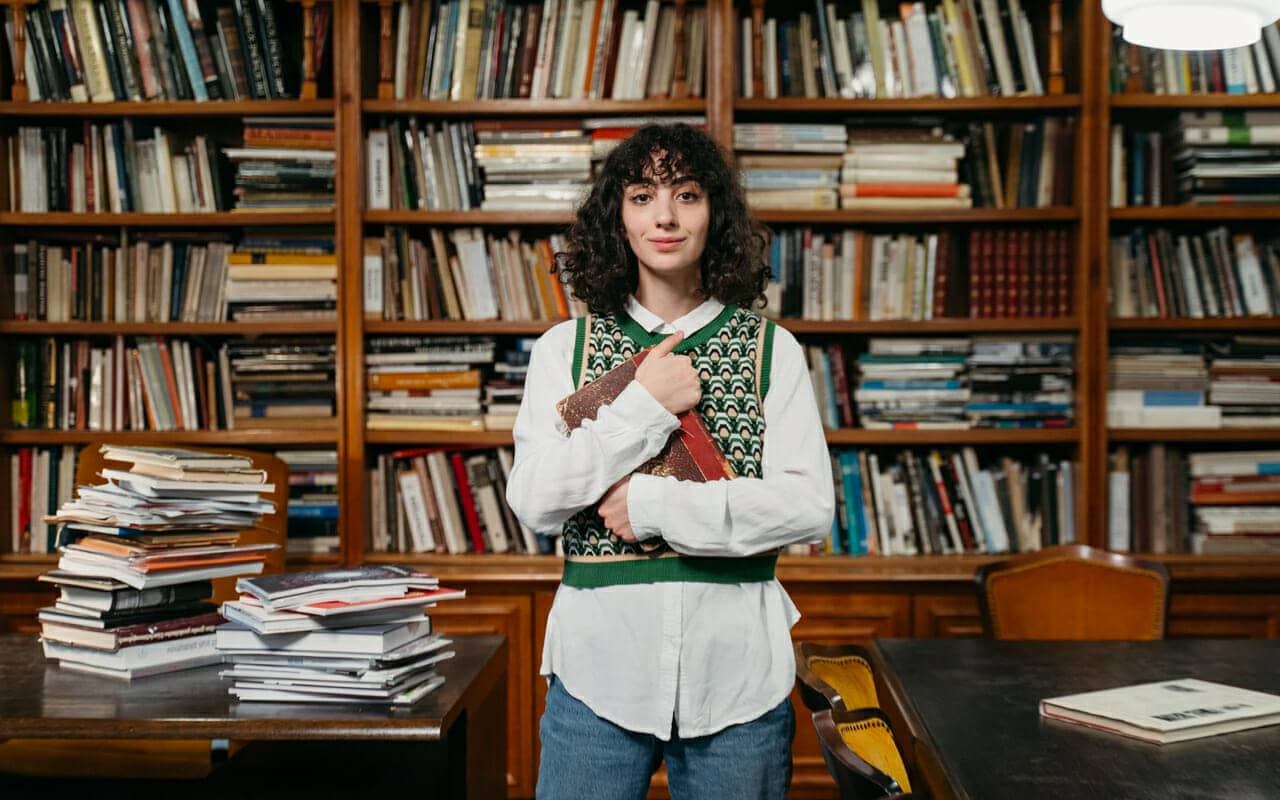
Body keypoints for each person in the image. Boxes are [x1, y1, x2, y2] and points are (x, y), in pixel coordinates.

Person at [504, 123, 833, 800]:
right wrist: (644, 408)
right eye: (641, 196)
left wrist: (655, 506)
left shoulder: (775, 349)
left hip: (737, 675)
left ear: (715, 214)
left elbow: (808, 507)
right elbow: (535, 500)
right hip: (597, 673)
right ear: (616, 218)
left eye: (686, 194)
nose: (664, 216)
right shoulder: (562, 348)